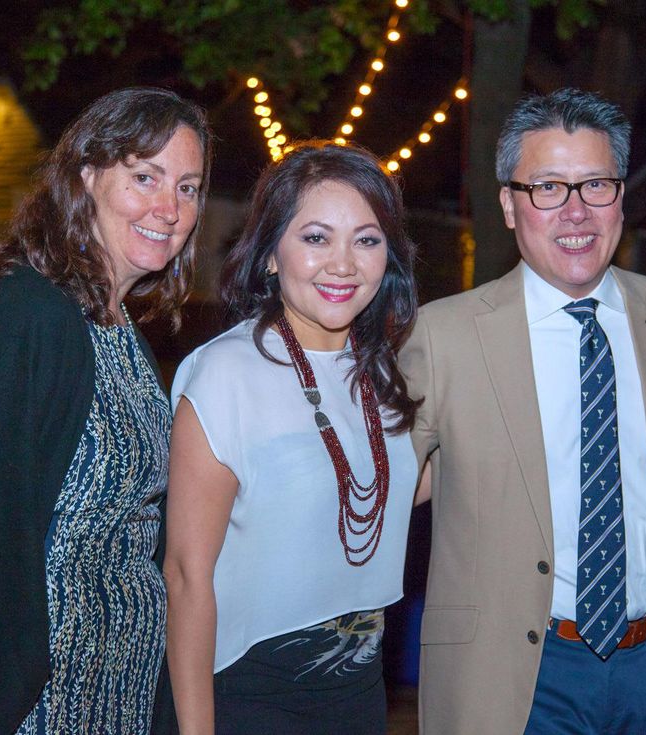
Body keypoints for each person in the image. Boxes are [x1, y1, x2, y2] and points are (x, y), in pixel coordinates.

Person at [399, 88, 646, 734]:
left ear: (621, 196)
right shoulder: (442, 334)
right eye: (547, 188)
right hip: (511, 676)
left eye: (595, 184)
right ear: (510, 206)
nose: (576, 212)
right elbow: (381, 488)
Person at [0, 87, 211, 733]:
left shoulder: (116, 323)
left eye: (188, 187)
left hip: (119, 688)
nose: (170, 207)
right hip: (36, 700)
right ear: (85, 176)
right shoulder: (25, 317)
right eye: (145, 177)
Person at [164, 141, 421, 734]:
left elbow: (377, 489)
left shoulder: (380, 371)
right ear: (272, 254)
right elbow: (185, 573)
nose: (343, 263)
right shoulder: (227, 372)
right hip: (252, 696)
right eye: (315, 238)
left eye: (366, 239)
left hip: (359, 692)